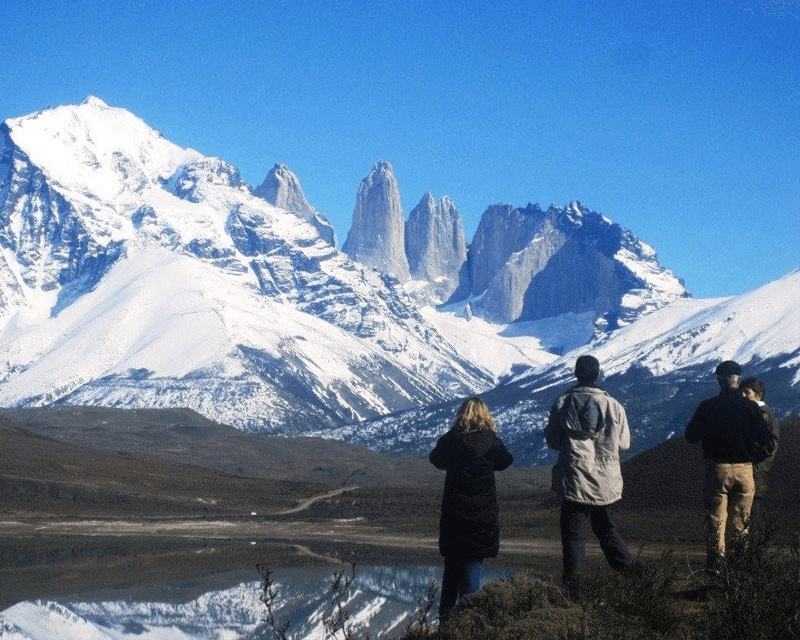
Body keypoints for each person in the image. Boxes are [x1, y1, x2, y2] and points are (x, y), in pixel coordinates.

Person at [544, 355, 632, 592]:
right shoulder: (614, 406)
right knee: (607, 529)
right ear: (598, 374)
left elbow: (553, 440)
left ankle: (572, 586)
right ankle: (634, 578)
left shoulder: (563, 402)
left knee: (573, 533)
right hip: (606, 479)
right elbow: (623, 444)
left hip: (574, 477)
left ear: (576, 374)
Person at [684, 361, 773, 574]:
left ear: (719, 381)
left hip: (717, 469)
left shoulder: (707, 406)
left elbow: (691, 436)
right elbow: (765, 440)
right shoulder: (751, 407)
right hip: (744, 469)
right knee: (741, 523)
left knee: (715, 522)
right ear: (738, 380)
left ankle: (716, 569)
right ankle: (739, 569)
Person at [430, 396, 513, 620]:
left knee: (451, 570)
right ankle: (468, 624)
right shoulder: (491, 441)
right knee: (473, 565)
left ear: (462, 415)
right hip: (482, 516)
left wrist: (452, 433)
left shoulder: (452, 440)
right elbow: (506, 460)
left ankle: (445, 626)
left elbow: (435, 458)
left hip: (454, 515)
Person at [740, 377, 780, 528]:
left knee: (749, 522)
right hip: (752, 473)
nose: (743, 395)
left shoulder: (762, 415)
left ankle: (751, 551)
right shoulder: (754, 412)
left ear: (758, 395)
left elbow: (770, 445)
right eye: (741, 392)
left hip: (755, 474)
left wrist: (746, 454)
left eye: (747, 392)